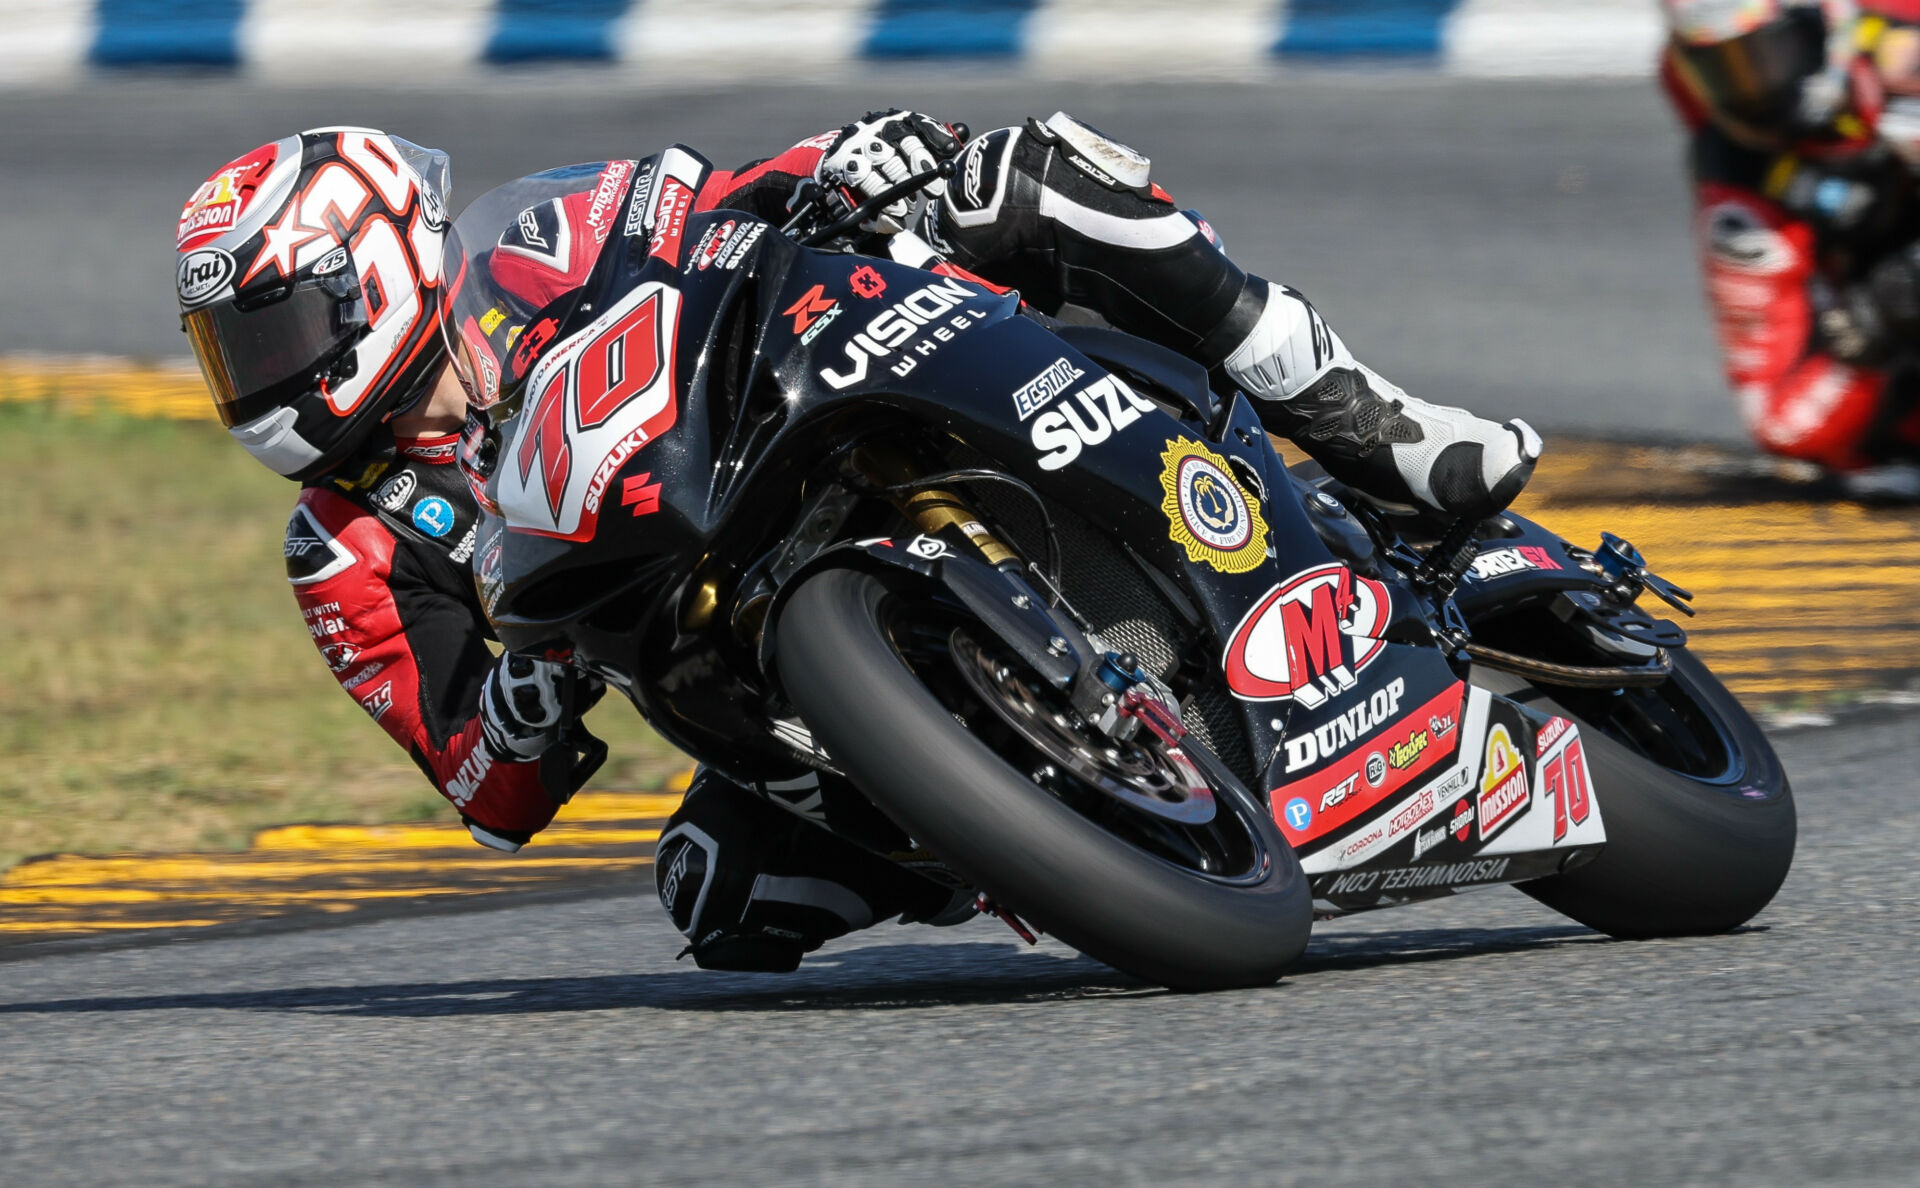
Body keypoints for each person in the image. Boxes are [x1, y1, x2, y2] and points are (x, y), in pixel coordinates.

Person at [176, 113, 1539, 972]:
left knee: (1028, 174)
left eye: (275, 332)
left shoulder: (531, 245)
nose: (262, 379)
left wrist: (850, 160)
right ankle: (1007, 824)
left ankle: (1380, 430)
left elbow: (710, 199)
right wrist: (520, 706)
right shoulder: (342, 549)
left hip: (805, 412)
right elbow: (481, 784)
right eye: (232, 355)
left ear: (381, 265)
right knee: (722, 899)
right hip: (720, 655)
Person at [1662, 0, 1920, 498]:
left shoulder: (1899, 32)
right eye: (1724, 69)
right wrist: (1878, 318)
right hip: (1866, 283)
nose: (1754, 89)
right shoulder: (1739, 192)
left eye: (1770, 55)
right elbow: (1781, 420)